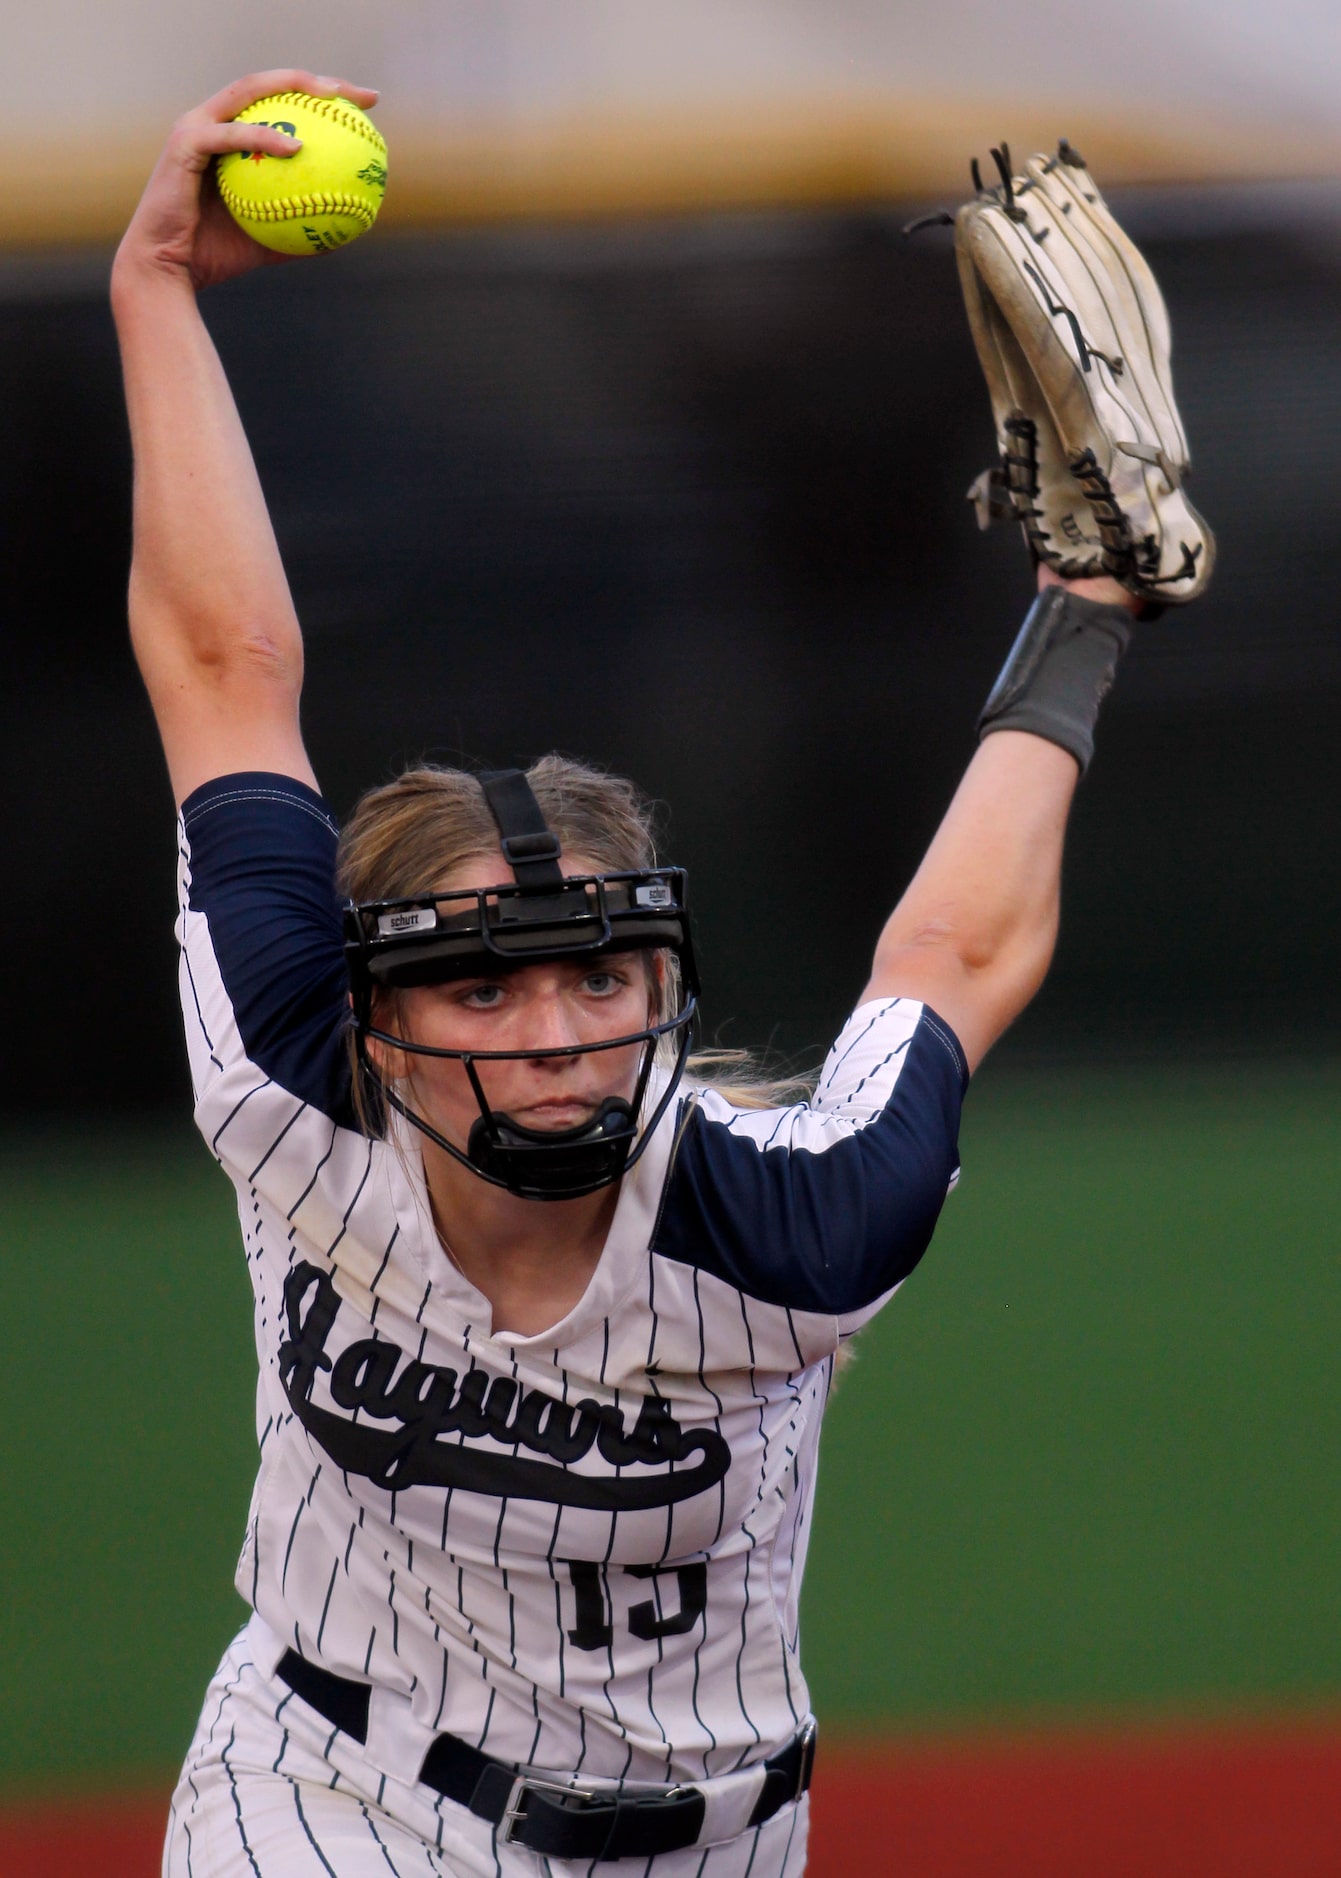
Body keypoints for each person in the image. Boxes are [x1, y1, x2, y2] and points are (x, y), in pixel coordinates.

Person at [113, 72, 1155, 1878]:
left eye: (601, 979)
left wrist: (1087, 604)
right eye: (488, 993)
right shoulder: (293, 1086)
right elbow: (224, 668)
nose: (560, 1034)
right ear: (380, 1018)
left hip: (719, 1841)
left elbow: (953, 952)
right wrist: (154, 286)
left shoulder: (795, 1224)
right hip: (328, 1796)